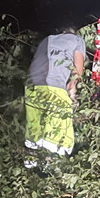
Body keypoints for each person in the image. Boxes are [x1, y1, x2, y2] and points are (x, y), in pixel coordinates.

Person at [24, 25, 87, 172]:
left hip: (32, 84)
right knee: (60, 121)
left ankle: (31, 157)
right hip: (53, 82)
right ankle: (51, 161)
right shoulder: (77, 40)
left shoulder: (46, 40)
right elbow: (78, 66)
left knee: (35, 118)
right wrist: (73, 85)